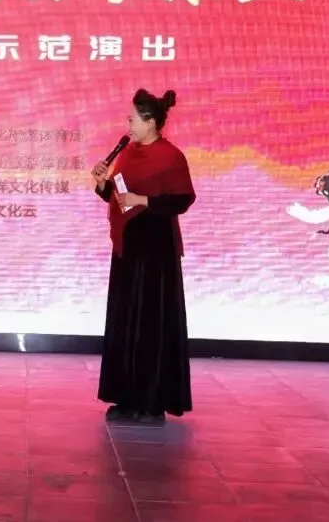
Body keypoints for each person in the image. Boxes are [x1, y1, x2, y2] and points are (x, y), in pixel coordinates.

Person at [91, 89, 195, 425]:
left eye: (133, 119)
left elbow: (182, 199)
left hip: (156, 250)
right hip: (128, 246)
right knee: (126, 320)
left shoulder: (170, 156)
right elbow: (120, 197)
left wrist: (144, 200)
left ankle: (152, 402)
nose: (129, 124)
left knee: (151, 323)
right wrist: (102, 184)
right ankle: (126, 397)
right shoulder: (128, 153)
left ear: (150, 122)